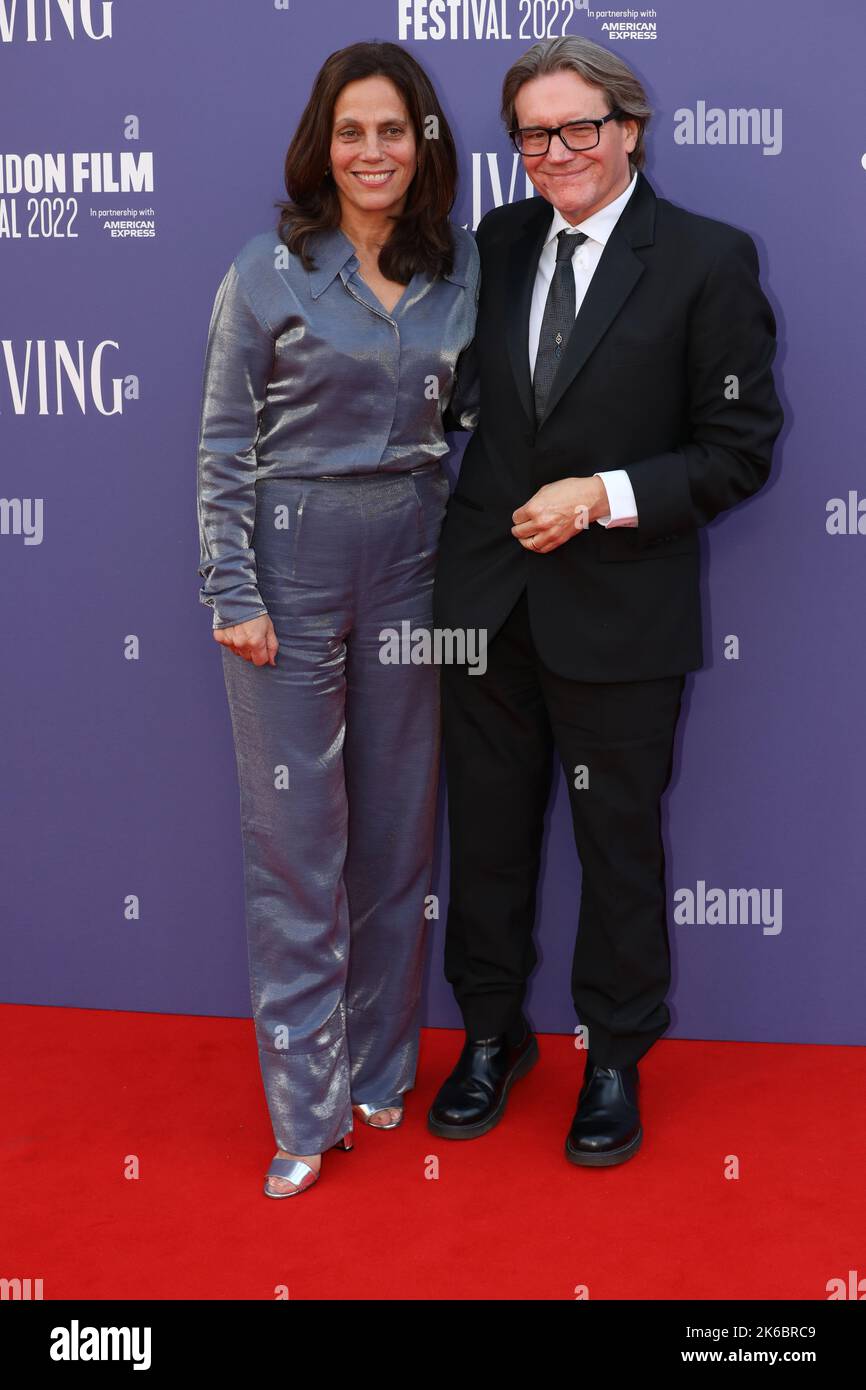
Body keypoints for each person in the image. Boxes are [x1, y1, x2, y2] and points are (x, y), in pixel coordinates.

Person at [429, 35, 783, 1165]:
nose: (555, 152)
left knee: (617, 847)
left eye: (578, 126)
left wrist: (601, 494)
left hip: (622, 615)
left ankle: (614, 1057)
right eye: (531, 133)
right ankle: (489, 1036)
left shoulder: (705, 259)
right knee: (481, 840)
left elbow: (737, 451)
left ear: (628, 127)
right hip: (482, 602)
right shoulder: (493, 241)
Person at [196, 41, 479, 1197]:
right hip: (290, 558)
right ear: (324, 144)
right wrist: (232, 589)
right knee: (296, 842)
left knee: (399, 831)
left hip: (413, 553)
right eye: (352, 131)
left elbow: (470, 414)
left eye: (394, 131)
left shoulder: (458, 267)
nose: (373, 152)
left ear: (423, 146)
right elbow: (221, 445)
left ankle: (380, 1066)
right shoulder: (264, 272)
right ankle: (304, 1111)